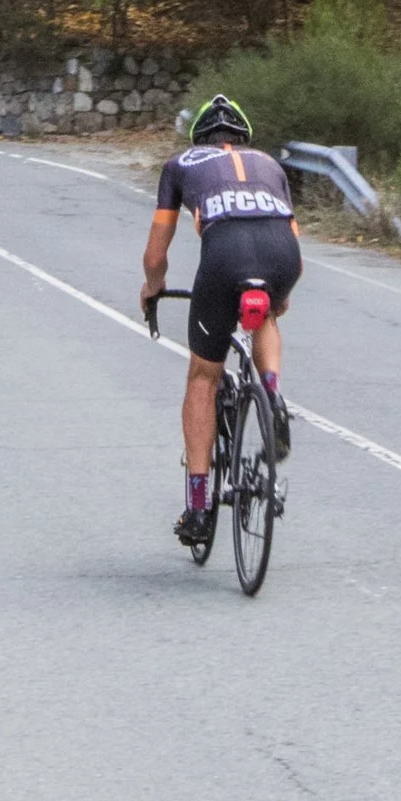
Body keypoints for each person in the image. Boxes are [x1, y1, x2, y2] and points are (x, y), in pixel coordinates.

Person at [141, 92, 302, 546]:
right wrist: (280, 295)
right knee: (267, 312)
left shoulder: (180, 166)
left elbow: (156, 256)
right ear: (244, 136)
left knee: (202, 379)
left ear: (199, 139)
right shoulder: (270, 165)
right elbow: (295, 249)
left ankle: (197, 507)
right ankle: (271, 397)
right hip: (282, 256)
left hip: (223, 257)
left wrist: (152, 290)